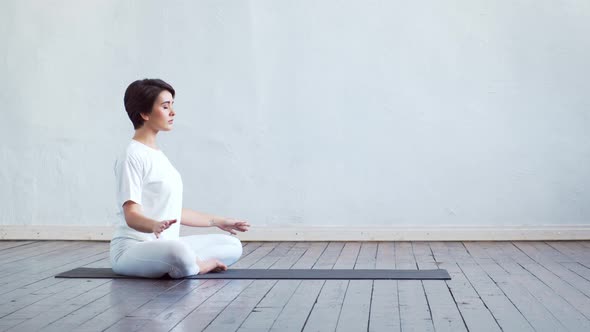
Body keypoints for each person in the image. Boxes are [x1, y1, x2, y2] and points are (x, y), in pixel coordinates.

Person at [110, 78, 250, 278]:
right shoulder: (131, 155)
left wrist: (218, 221)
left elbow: (172, 210)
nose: (173, 113)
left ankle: (185, 265)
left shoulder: (157, 154)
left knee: (232, 245)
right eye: (165, 107)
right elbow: (131, 215)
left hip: (165, 245)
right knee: (178, 252)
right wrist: (153, 226)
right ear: (144, 114)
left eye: (172, 106)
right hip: (134, 248)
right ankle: (195, 266)